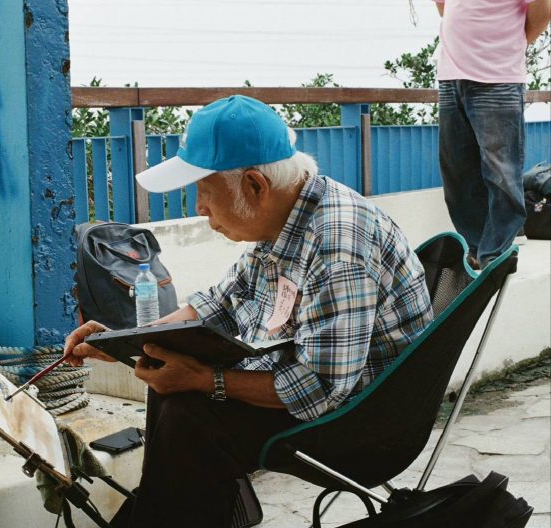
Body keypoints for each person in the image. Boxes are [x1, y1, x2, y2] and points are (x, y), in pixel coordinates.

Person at [64, 95, 433, 528]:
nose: (199, 207)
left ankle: (164, 514)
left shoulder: (337, 244)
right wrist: (119, 343)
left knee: (190, 413)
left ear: (256, 186)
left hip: (368, 421)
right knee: (167, 378)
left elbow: (321, 387)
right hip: (330, 387)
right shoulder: (285, 217)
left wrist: (205, 379)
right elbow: (219, 303)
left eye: (204, 190)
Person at [434, 0, 551, 269]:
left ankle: (494, 254)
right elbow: (444, 7)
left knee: (501, 174)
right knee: (457, 173)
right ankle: (476, 248)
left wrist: (511, 46)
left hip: (498, 80)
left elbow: (542, 12)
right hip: (451, 79)